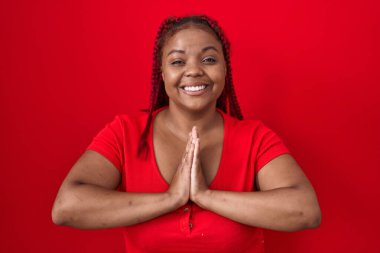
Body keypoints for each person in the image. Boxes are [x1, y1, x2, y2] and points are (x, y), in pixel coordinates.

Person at [52, 15, 321, 252]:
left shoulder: (255, 138)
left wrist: (205, 196)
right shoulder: (125, 133)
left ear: (225, 69)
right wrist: (171, 199)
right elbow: (66, 207)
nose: (193, 70)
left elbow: (305, 210)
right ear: (162, 73)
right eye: (178, 61)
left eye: (209, 59)